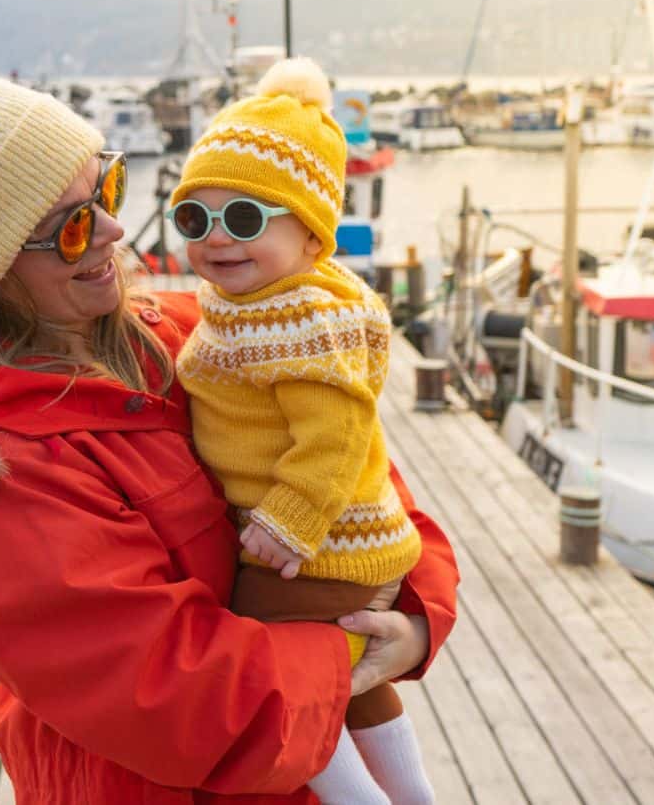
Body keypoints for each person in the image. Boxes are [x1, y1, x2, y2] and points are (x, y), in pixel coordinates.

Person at [0, 60, 459, 804]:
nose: (117, 231)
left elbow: (363, 481)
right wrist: (355, 646)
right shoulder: (0, 480)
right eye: (71, 228)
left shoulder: (194, 335)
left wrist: (415, 617)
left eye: (107, 189)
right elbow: (188, 704)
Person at [169, 58, 431, 804]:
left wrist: (291, 518)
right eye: (195, 218)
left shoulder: (303, 317)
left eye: (245, 218)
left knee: (275, 679)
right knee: (357, 684)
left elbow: (339, 433)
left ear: (313, 236)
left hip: (316, 547)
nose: (217, 239)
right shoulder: (251, 304)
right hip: (335, 541)